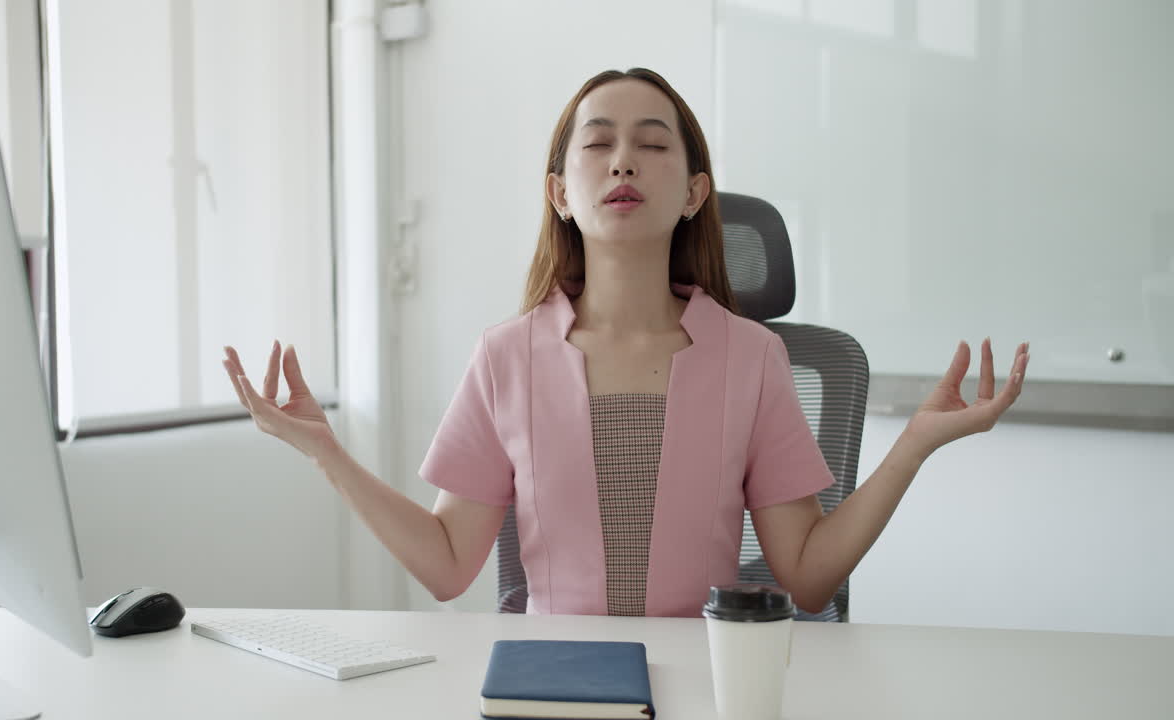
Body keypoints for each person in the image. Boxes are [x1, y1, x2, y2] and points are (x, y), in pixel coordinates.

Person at [222, 68, 1030, 618]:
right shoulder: (504, 356)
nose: (622, 162)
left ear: (692, 192)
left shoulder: (752, 357)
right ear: (559, 192)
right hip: (551, 689)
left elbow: (810, 579)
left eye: (652, 144)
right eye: (597, 143)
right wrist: (327, 451)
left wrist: (916, 445)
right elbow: (445, 565)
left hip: (709, 685)